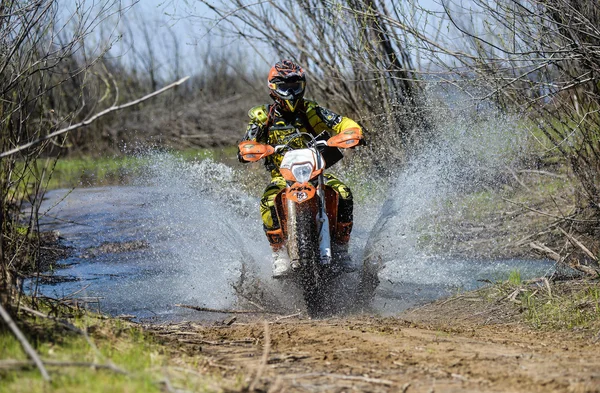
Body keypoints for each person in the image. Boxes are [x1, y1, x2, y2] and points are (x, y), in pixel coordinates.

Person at [238, 59, 364, 278]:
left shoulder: (311, 110)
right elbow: (247, 141)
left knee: (344, 192)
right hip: (283, 177)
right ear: (273, 88)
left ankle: (342, 250)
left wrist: (351, 132)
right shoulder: (262, 116)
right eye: (284, 86)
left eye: (295, 86)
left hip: (317, 174)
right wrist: (254, 149)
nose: (290, 91)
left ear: (302, 85)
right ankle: (278, 254)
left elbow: (342, 122)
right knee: (267, 201)